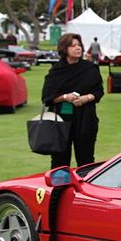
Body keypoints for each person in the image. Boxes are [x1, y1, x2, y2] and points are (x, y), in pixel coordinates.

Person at [41, 32, 104, 168]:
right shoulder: (56, 71)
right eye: (73, 45)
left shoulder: (89, 68)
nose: (77, 48)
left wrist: (86, 98)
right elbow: (46, 97)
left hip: (85, 119)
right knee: (59, 161)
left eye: (79, 45)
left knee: (86, 160)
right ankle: (60, 189)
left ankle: (85, 189)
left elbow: (98, 92)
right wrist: (65, 97)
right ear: (65, 49)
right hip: (61, 121)